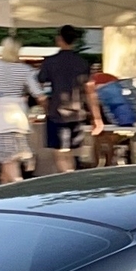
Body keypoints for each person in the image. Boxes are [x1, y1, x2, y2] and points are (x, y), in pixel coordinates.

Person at [0, 41, 41, 184]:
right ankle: (5, 194)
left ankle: (18, 189)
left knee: (7, 160)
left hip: (1, 117)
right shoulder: (25, 69)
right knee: (10, 161)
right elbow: (37, 92)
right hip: (19, 116)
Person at [36, 25, 96, 174]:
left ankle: (68, 181)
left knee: (60, 152)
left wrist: (44, 103)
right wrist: (97, 117)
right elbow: (89, 91)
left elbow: (39, 83)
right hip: (77, 112)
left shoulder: (50, 62)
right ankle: (71, 179)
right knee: (69, 152)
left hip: (57, 112)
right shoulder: (82, 63)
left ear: (59, 39)